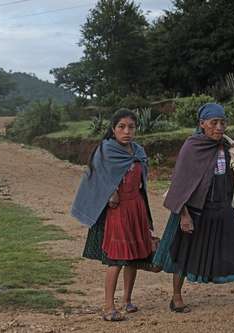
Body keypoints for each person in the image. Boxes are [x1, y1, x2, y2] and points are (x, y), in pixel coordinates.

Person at [153, 103, 234, 315]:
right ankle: (176, 297)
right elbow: (180, 184)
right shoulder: (192, 147)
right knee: (183, 254)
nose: (219, 127)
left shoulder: (226, 147)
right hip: (195, 211)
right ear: (202, 124)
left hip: (222, 208)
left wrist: (230, 205)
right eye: (213, 123)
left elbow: (227, 180)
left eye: (222, 122)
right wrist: (184, 215)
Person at [71, 108, 159, 322]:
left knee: (134, 257)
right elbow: (97, 177)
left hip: (136, 208)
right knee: (117, 259)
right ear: (113, 129)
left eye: (131, 127)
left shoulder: (138, 151)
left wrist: (145, 215)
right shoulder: (106, 150)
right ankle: (108, 306)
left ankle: (127, 301)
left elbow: (142, 184)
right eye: (121, 127)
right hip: (117, 212)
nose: (126, 131)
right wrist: (110, 193)